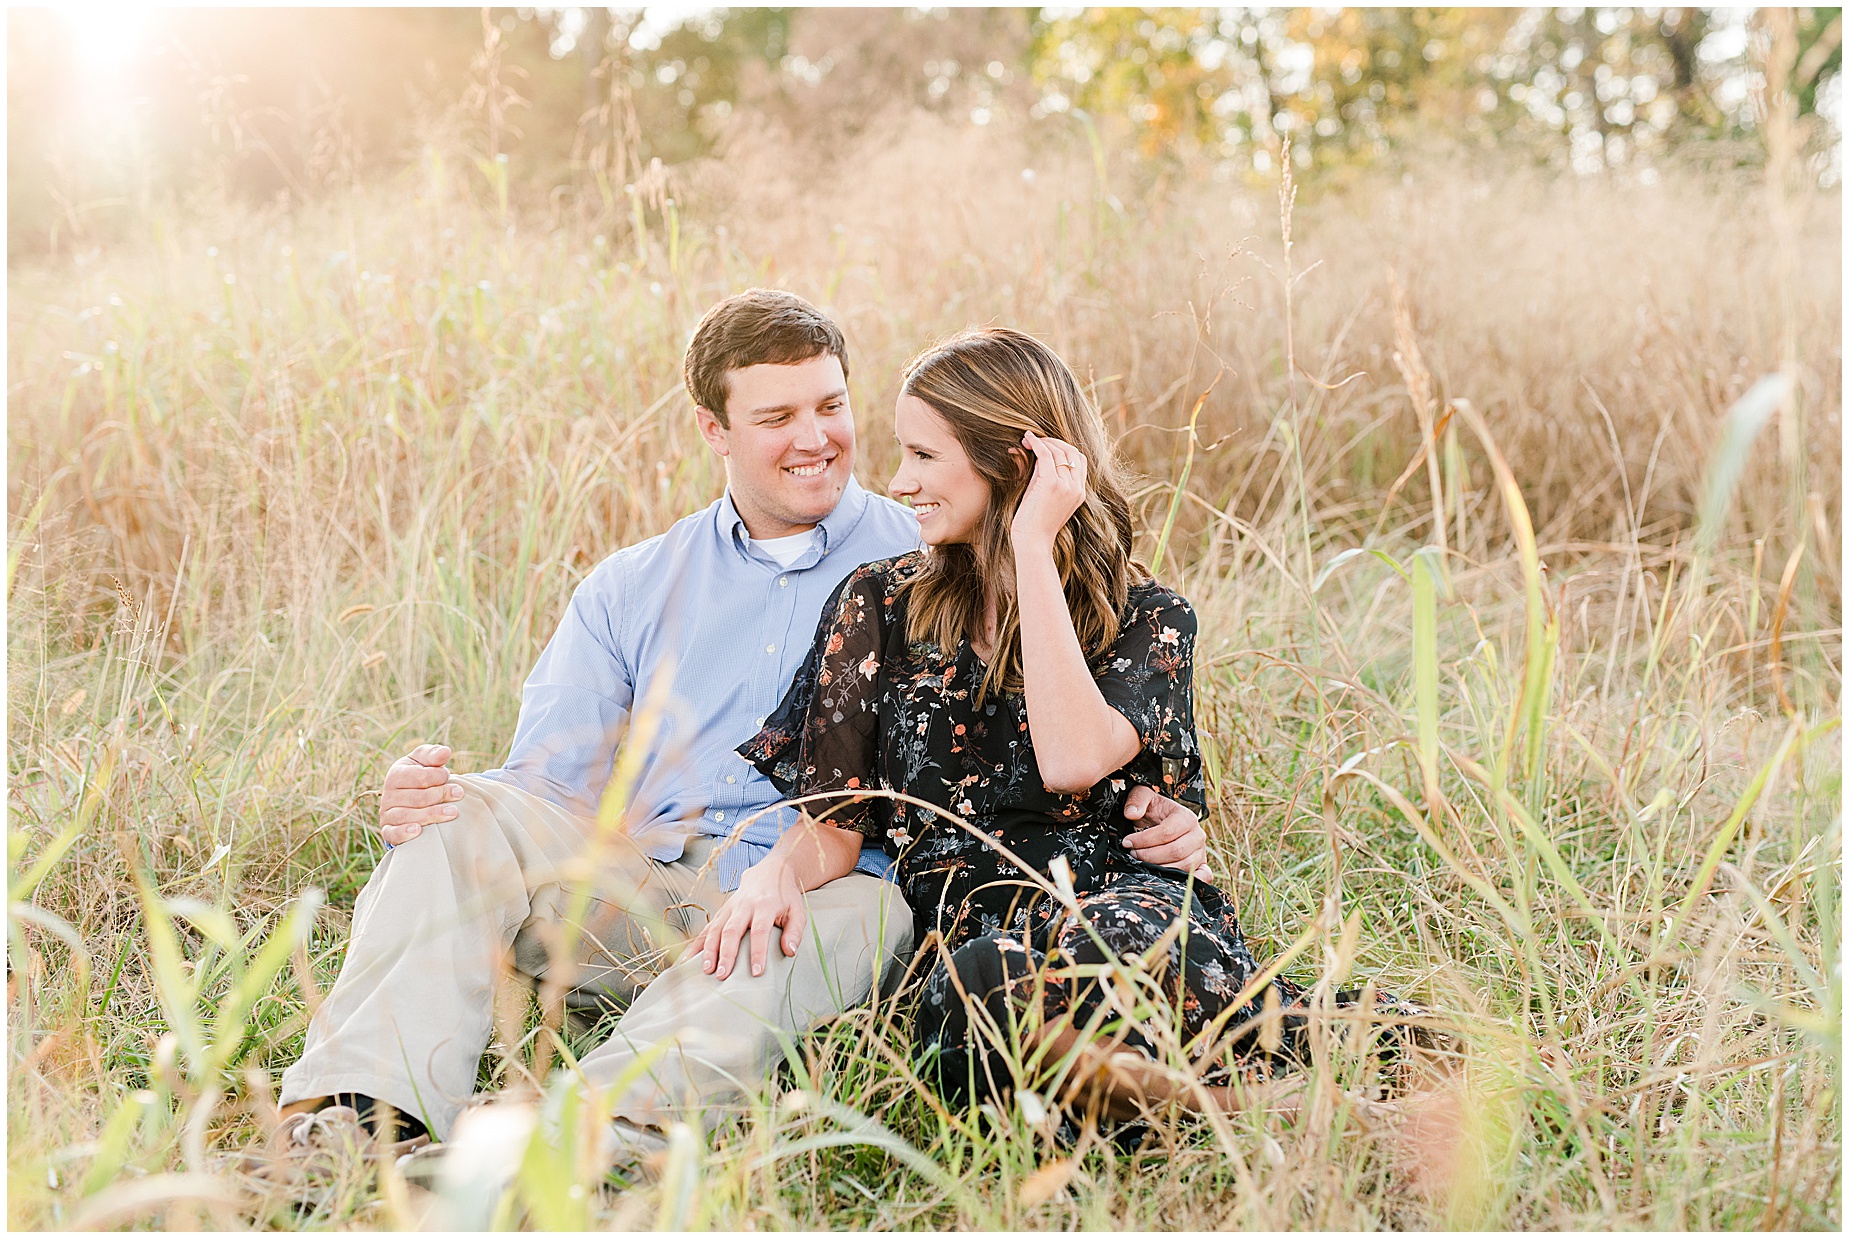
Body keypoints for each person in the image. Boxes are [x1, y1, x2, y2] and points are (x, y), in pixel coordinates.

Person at [262, 292, 1212, 1174]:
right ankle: (354, 1114)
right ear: (713, 430)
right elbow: (544, 783)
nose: (818, 441)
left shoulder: (933, 550)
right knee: (461, 810)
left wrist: (1165, 820)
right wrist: (441, 802)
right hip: (639, 887)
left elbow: (1069, 695)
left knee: (869, 910)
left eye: (831, 406)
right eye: (776, 419)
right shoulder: (631, 585)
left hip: (827, 891)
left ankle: (585, 1135)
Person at [712, 327, 1409, 1133]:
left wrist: (1030, 547)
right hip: (974, 939)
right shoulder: (878, 604)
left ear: (1016, 463)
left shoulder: (1149, 619)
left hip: (1123, 910)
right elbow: (832, 828)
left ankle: (1150, 1093)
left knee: (1110, 960)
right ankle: (1247, 1106)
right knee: (968, 999)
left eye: (924, 456)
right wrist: (774, 874)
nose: (899, 481)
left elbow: (1074, 759)